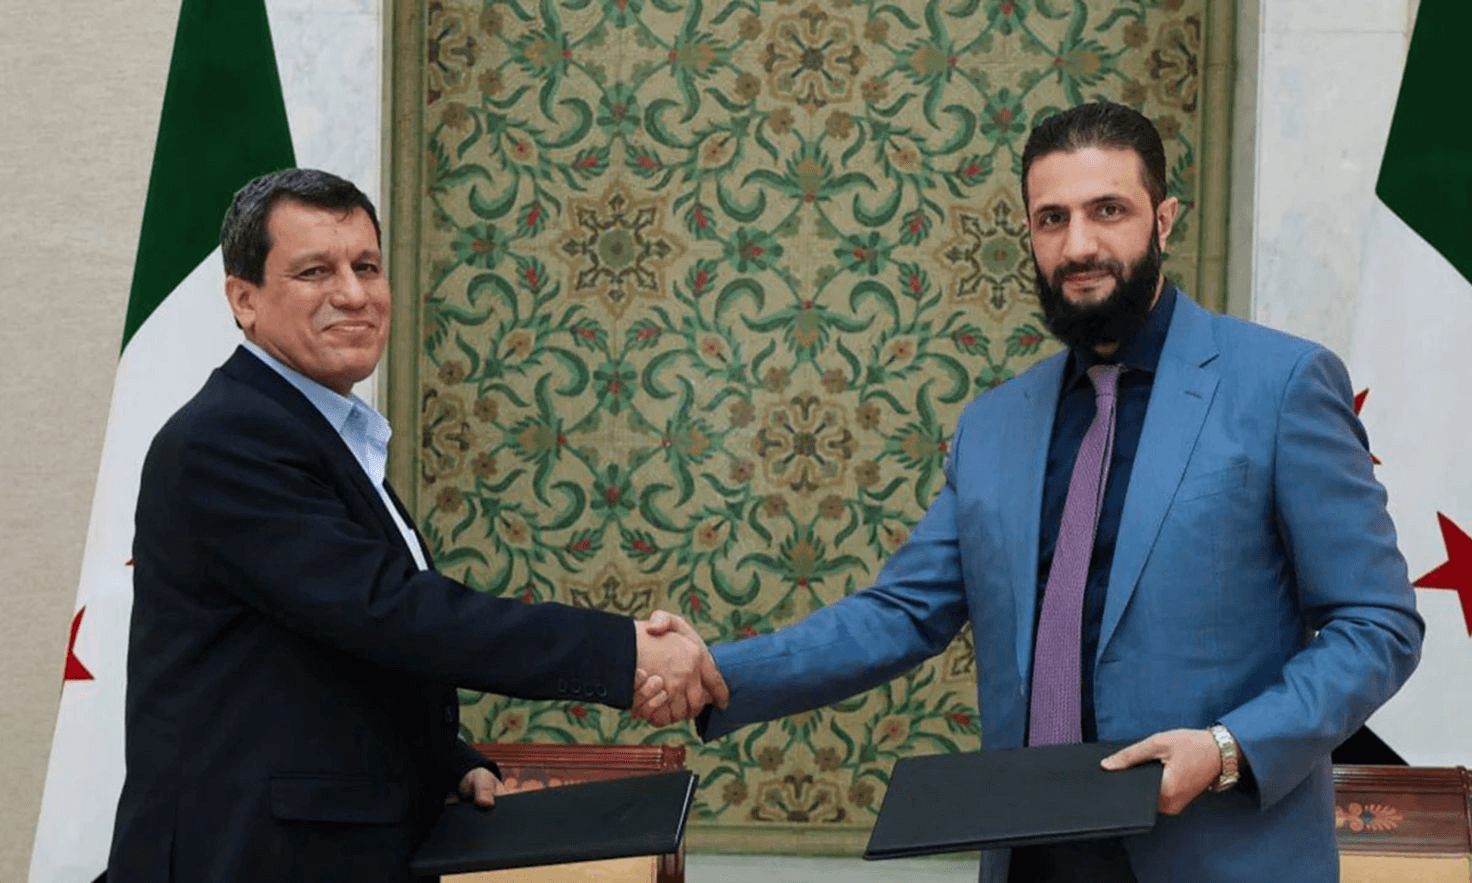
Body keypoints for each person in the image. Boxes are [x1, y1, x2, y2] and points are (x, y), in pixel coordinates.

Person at [638, 102, 1423, 881]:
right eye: (1051, 219)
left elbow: (1376, 623)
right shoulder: (994, 424)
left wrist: (1224, 749)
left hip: (1215, 850)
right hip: (1029, 855)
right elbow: (901, 613)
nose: (1078, 245)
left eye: (1107, 210)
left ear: (1164, 220)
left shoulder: (1281, 385)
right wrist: (718, 669)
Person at [106, 168, 725, 883]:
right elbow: (393, 612)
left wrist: (445, 759)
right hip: (247, 855)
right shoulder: (226, 440)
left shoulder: (316, 429)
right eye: (315, 271)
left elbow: (338, 653)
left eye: (367, 265)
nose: (354, 293)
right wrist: (623, 653)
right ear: (244, 300)